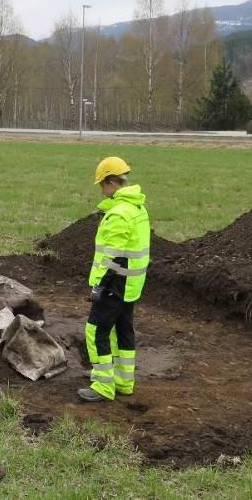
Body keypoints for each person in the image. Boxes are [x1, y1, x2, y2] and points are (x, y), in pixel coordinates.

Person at [78, 157, 151, 402]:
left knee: (96, 331)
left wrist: (100, 285)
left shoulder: (118, 214)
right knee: (123, 331)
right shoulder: (138, 208)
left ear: (112, 182)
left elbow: (112, 257)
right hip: (131, 284)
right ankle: (123, 382)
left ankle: (102, 386)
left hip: (114, 284)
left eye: (102, 184)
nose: (101, 190)